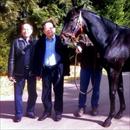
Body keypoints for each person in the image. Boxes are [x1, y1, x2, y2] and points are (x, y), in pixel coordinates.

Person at [34, 20, 70, 121]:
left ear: (54, 29)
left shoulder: (61, 40)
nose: (49, 30)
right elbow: (37, 58)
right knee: (46, 92)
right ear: (44, 31)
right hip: (46, 69)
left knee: (58, 92)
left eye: (50, 28)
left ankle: (58, 112)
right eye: (46, 28)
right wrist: (38, 72)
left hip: (57, 69)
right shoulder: (40, 42)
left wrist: (65, 71)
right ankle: (47, 111)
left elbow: (67, 56)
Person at [8, 23, 37, 122]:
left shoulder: (35, 42)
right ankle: (18, 114)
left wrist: (38, 73)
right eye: (24, 29)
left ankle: (30, 111)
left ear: (31, 31)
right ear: (21, 31)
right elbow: (11, 59)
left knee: (33, 94)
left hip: (32, 72)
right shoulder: (16, 42)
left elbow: (38, 59)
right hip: (19, 72)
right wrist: (10, 74)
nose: (26, 31)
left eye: (28, 29)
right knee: (18, 94)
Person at [74, 34, 102, 117]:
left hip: (97, 67)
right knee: (83, 88)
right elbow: (81, 43)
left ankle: (94, 106)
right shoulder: (84, 35)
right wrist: (79, 47)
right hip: (85, 66)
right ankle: (81, 107)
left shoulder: (98, 34)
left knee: (96, 88)